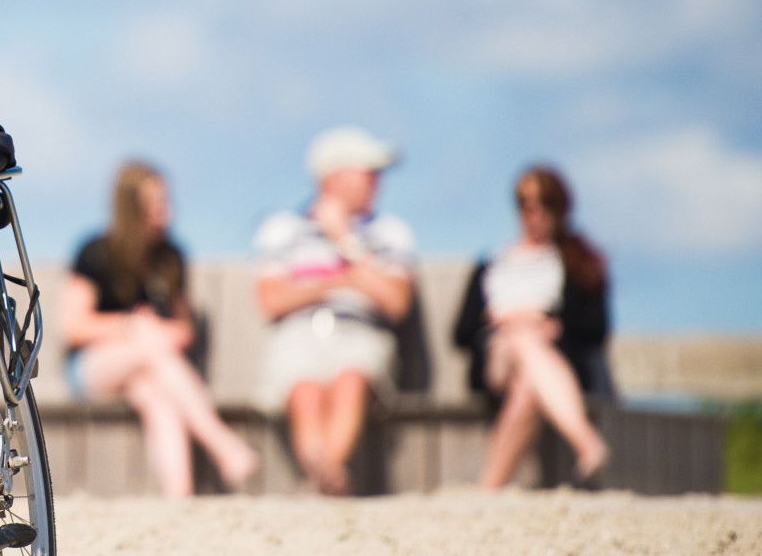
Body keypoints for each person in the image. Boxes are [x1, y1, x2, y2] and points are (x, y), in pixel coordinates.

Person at [62, 161, 258, 498]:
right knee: (149, 345)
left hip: (152, 368)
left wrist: (157, 332)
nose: (166, 210)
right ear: (131, 206)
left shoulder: (171, 258)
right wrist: (131, 326)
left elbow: (184, 330)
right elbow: (75, 327)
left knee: (154, 395)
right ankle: (223, 444)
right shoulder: (96, 252)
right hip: (93, 368)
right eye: (156, 201)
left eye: (166, 200)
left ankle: (178, 498)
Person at [253, 126, 416, 495]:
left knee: (351, 379)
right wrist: (341, 282)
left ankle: (322, 475)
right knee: (305, 388)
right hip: (298, 334)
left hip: (361, 333)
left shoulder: (389, 231)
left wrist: (344, 239)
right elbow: (270, 301)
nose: (378, 181)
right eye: (369, 172)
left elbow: (396, 302)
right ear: (334, 176)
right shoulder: (283, 229)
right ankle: (328, 475)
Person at [453, 165, 611, 490]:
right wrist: (504, 321)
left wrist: (553, 325)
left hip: (547, 361)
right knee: (522, 338)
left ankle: (488, 488)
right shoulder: (493, 263)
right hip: (497, 358)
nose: (535, 214)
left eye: (545, 204)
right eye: (526, 204)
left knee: (528, 386)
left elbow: (595, 328)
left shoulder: (577, 262)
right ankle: (585, 441)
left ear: (560, 208)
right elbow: (461, 332)